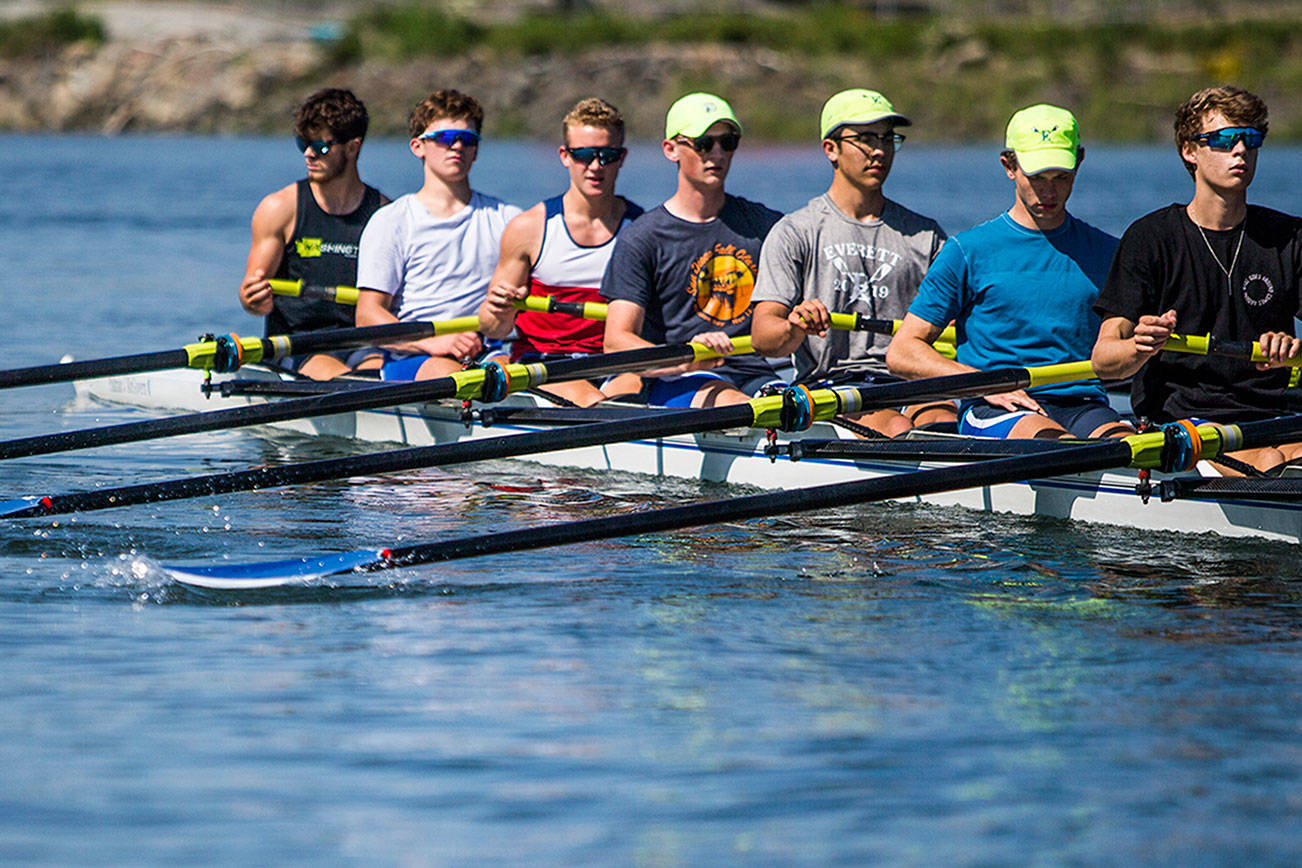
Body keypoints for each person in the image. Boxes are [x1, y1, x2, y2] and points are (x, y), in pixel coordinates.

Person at [886, 104, 1131, 440]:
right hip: (999, 406)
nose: (1049, 192)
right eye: (1037, 178)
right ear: (1009, 166)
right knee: (1058, 444)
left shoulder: (1109, 252)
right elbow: (902, 351)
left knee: (1133, 451)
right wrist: (978, 383)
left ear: (1080, 162)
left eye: (1061, 177)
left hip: (1084, 404)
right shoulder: (967, 251)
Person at [1092, 86, 1302, 473]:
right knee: (1271, 461)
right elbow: (1104, 361)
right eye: (1224, 140)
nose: (1240, 150)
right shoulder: (1150, 238)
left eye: (1250, 139)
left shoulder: (1289, 237)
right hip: (1185, 421)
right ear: (1190, 151)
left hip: (1276, 414)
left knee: (1286, 456)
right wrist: (1140, 348)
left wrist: (1292, 346)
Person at [750, 88, 952, 437]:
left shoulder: (926, 236)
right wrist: (795, 326)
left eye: (888, 138)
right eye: (865, 138)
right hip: (834, 385)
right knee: (897, 425)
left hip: (911, 381)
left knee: (945, 425)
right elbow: (763, 336)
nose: (879, 150)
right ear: (831, 149)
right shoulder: (795, 232)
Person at [601, 92, 784, 408]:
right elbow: (616, 341)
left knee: (793, 403)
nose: (717, 153)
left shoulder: (763, 224)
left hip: (755, 374)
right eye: (703, 143)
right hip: (677, 379)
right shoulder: (642, 238)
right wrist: (687, 358)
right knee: (734, 402)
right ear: (671, 149)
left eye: (727, 142)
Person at [476, 98, 643, 407]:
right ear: (565, 156)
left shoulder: (642, 230)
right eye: (583, 155)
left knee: (638, 399)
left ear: (622, 158)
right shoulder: (529, 228)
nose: (595, 166)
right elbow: (491, 326)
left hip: (613, 365)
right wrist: (500, 310)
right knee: (597, 403)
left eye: (607, 155)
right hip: (542, 362)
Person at [355, 89, 521, 381]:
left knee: (511, 371)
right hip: (413, 356)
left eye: (467, 139)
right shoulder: (392, 221)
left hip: (490, 350)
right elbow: (367, 317)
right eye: (445, 139)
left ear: (476, 150)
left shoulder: (510, 219)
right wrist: (435, 343)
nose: (457, 145)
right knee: (457, 376)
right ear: (418, 147)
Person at [238, 88, 388, 379]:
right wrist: (254, 299)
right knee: (344, 379)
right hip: (296, 344)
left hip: (361, 343)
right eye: (302, 143)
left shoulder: (385, 214)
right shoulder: (280, 209)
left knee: (380, 374)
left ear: (353, 147)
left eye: (320, 146)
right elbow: (251, 294)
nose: (308, 154)